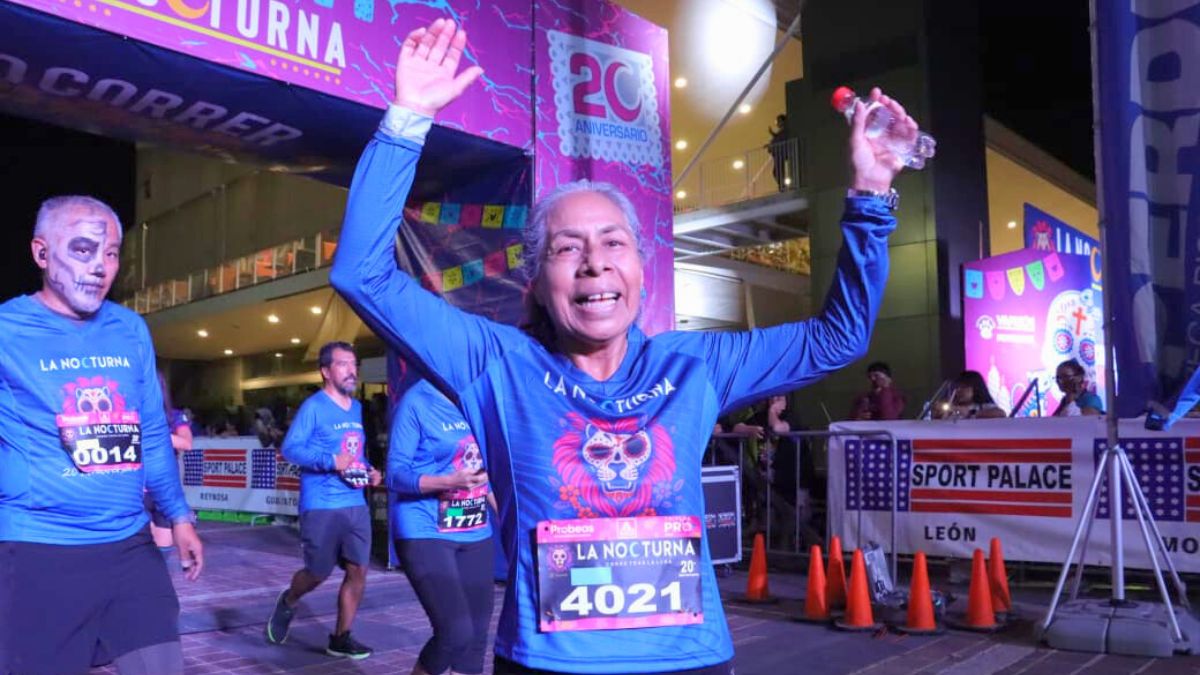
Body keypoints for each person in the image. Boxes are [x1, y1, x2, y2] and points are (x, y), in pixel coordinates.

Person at [330, 18, 911, 674]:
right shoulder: (496, 362)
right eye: (567, 247)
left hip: (688, 661)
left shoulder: (694, 366)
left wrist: (871, 194)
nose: (593, 263)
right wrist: (406, 118)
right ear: (538, 278)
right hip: (546, 664)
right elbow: (362, 272)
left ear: (641, 265)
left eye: (613, 242)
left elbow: (839, 338)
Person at [0, 195, 203, 675]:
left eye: (111, 253)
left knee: (162, 667)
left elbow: (152, 433)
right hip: (39, 552)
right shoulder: (7, 329)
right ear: (41, 253)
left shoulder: (129, 329)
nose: (99, 267)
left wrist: (178, 516)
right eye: (83, 249)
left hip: (130, 547)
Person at [266, 341, 382, 659]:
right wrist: (330, 460)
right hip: (322, 504)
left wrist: (370, 471)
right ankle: (289, 599)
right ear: (325, 371)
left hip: (355, 502)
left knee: (358, 569)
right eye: (343, 364)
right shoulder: (314, 407)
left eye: (354, 363)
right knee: (318, 572)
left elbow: (353, 453)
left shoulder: (357, 408)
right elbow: (290, 449)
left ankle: (341, 638)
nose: (352, 370)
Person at [389, 380, 496, 675]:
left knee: (476, 637)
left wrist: (511, 523)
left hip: (476, 530)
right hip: (425, 528)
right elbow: (396, 475)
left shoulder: (479, 396)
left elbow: (485, 473)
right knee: (455, 632)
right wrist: (449, 482)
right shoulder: (417, 401)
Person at [146, 371, 194, 558]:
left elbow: (186, 443)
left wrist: (150, 433)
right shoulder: (130, 414)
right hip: (135, 490)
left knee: (163, 552)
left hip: (164, 490)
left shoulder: (174, 416)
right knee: (141, 548)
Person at [934, 370, 1006, 419]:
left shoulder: (985, 406)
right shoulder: (952, 408)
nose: (959, 391)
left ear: (976, 388)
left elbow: (1001, 413)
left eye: (964, 387)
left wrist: (970, 413)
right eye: (957, 387)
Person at [767, 113, 790, 191]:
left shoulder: (786, 130)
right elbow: (778, 137)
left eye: (779, 121)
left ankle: (782, 186)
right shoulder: (782, 131)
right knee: (776, 172)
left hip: (780, 153)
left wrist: (771, 144)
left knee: (778, 172)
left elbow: (780, 138)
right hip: (778, 153)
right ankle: (782, 186)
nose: (777, 123)